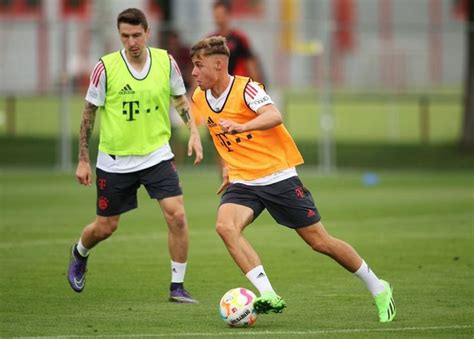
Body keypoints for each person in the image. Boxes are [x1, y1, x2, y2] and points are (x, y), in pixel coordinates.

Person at [189, 36, 396, 322]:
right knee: (225, 227)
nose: (194, 73)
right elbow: (216, 133)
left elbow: (274, 115)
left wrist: (243, 126)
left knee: (320, 242)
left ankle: (378, 286)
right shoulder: (201, 97)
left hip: (278, 177)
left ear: (219, 64)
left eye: (199, 66)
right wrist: (226, 165)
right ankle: (268, 294)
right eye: (193, 66)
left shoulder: (247, 89)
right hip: (244, 182)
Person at [67, 8, 203, 304]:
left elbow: (180, 98)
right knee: (106, 227)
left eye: (136, 35)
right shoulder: (106, 67)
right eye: (125, 36)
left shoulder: (166, 62)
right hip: (115, 161)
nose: (131, 42)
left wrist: (193, 131)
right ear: (120, 36)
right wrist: (83, 159)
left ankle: (177, 287)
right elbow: (88, 113)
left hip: (156, 155)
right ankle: (80, 252)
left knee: (177, 215)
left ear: (148, 33)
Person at [210, 0, 263, 83]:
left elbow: (250, 65)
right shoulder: (210, 40)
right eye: (216, 16)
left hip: (238, 86)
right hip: (219, 87)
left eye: (221, 15)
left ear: (228, 15)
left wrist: (257, 85)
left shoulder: (239, 38)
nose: (219, 19)